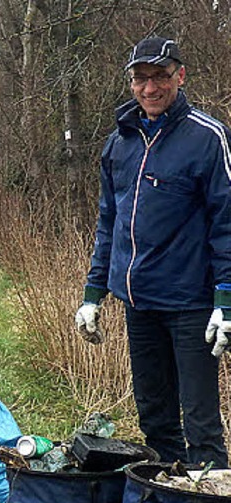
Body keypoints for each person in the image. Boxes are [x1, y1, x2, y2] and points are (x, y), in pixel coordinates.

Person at [75, 36, 231, 470]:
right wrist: (93, 293)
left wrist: (227, 300)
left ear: (180, 77)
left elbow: (227, 223)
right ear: (131, 83)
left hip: (191, 306)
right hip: (139, 304)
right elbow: (109, 222)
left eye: (160, 76)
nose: (150, 88)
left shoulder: (208, 138)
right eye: (141, 78)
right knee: (155, 419)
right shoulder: (118, 144)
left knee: (200, 424)